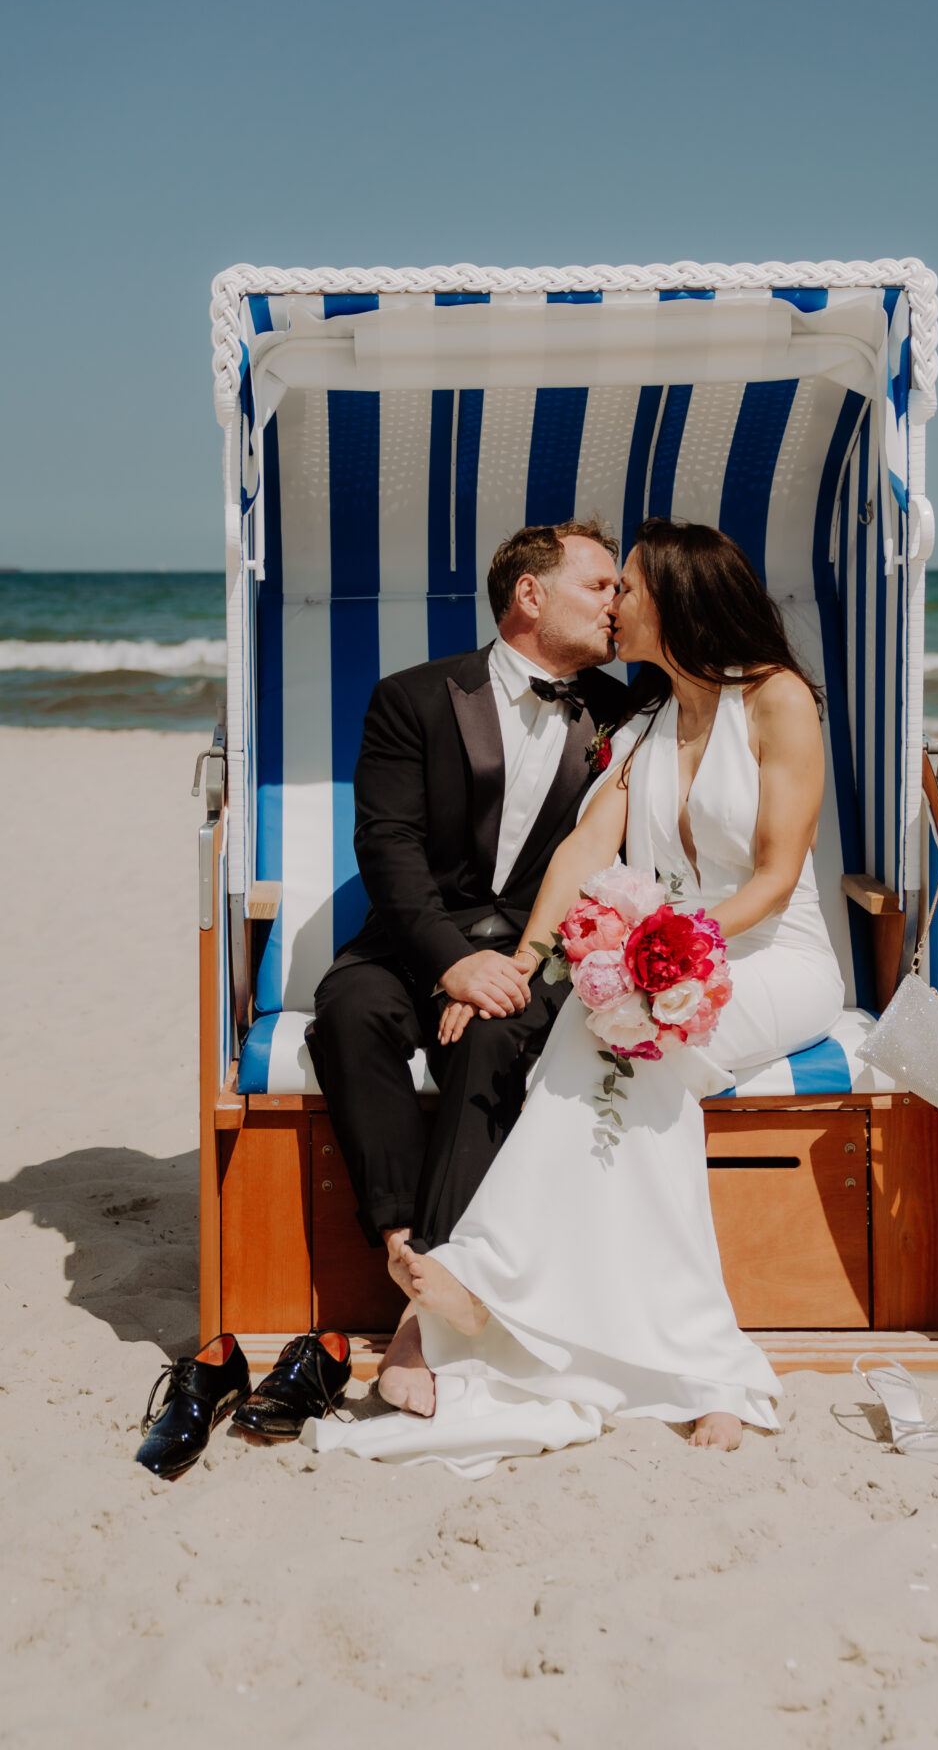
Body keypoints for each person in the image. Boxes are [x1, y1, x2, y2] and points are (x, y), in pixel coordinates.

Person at [304, 519, 846, 1476]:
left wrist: (672, 957)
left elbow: (774, 873)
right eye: (603, 586)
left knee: (634, 1050)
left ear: (671, 598)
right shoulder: (639, 722)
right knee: (601, 1038)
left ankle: (690, 1358)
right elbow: (582, 852)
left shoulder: (776, 699)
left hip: (765, 954)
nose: (614, 604)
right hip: (643, 961)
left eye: (623, 588)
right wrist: (523, 959)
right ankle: (471, 1284)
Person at [306, 519, 631, 1417]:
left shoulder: (622, 713)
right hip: (414, 941)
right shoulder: (411, 697)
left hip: (538, 952)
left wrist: (512, 969)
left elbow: (610, 865)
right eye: (599, 585)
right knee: (350, 1014)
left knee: (495, 1045)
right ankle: (402, 1240)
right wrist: (452, 965)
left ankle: (424, 1312)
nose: (617, 603)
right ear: (531, 594)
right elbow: (389, 845)